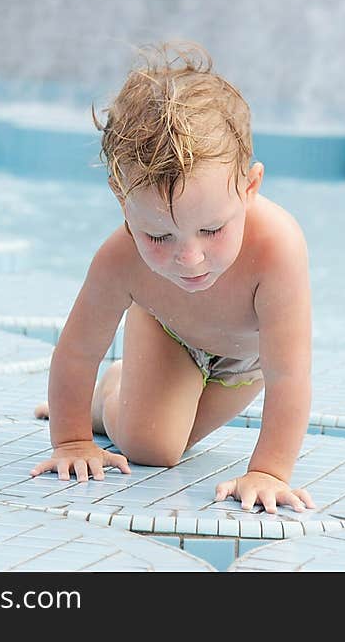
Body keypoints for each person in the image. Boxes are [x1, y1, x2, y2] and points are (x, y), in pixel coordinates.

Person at [30, 41, 315, 514]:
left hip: (244, 365)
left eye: (211, 229)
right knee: (152, 448)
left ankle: (125, 389)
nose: (190, 258)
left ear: (250, 187)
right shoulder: (120, 257)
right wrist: (73, 437)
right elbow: (78, 350)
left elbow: (289, 373)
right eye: (159, 236)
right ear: (123, 203)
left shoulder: (277, 247)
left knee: (171, 436)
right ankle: (108, 401)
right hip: (168, 330)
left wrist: (267, 472)